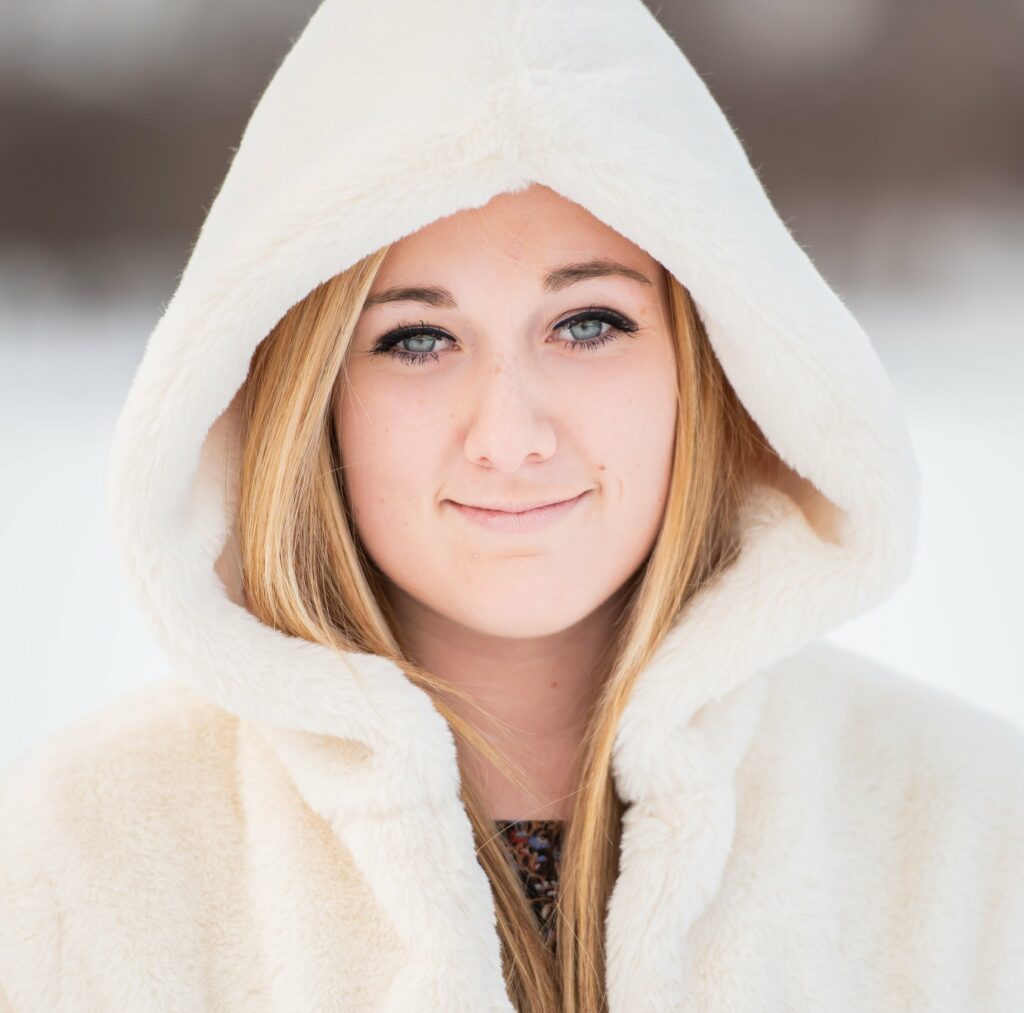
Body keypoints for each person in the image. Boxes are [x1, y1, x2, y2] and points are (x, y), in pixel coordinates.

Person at [2, 1, 1022, 1011]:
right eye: (415, 338)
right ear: (308, 398)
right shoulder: (74, 862)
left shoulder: (967, 838)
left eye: (586, 322)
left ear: (706, 362)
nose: (512, 434)